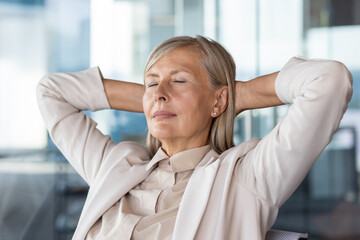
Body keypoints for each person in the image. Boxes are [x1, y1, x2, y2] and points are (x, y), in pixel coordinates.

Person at [36, 35, 353, 240]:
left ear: (219, 101)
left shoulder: (247, 178)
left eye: (179, 80)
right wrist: (156, 100)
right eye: (152, 83)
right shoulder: (115, 168)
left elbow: (329, 81)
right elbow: (51, 93)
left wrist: (237, 96)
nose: (160, 92)